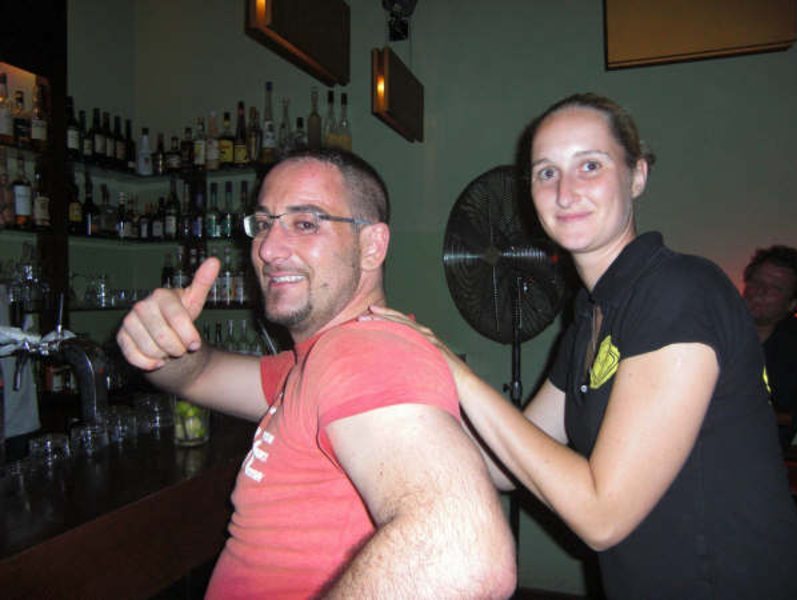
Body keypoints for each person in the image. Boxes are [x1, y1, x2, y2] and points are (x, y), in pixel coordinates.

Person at [367, 94, 797, 599]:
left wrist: (452, 369)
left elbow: (601, 515)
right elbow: (505, 463)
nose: (565, 192)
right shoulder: (592, 315)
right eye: (546, 173)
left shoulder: (679, 290)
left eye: (590, 165)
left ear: (637, 176)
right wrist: (385, 426)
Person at [116, 149, 516, 599]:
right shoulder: (309, 365)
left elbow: (461, 552)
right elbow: (197, 375)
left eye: (305, 223)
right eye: (263, 224)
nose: (267, 249)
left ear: (372, 246)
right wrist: (161, 344)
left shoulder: (361, 355)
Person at [743, 244, 797, 449]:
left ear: (792, 304)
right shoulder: (716, 330)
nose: (761, 292)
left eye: (776, 288)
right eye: (757, 282)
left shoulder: (794, 348)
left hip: (761, 452)